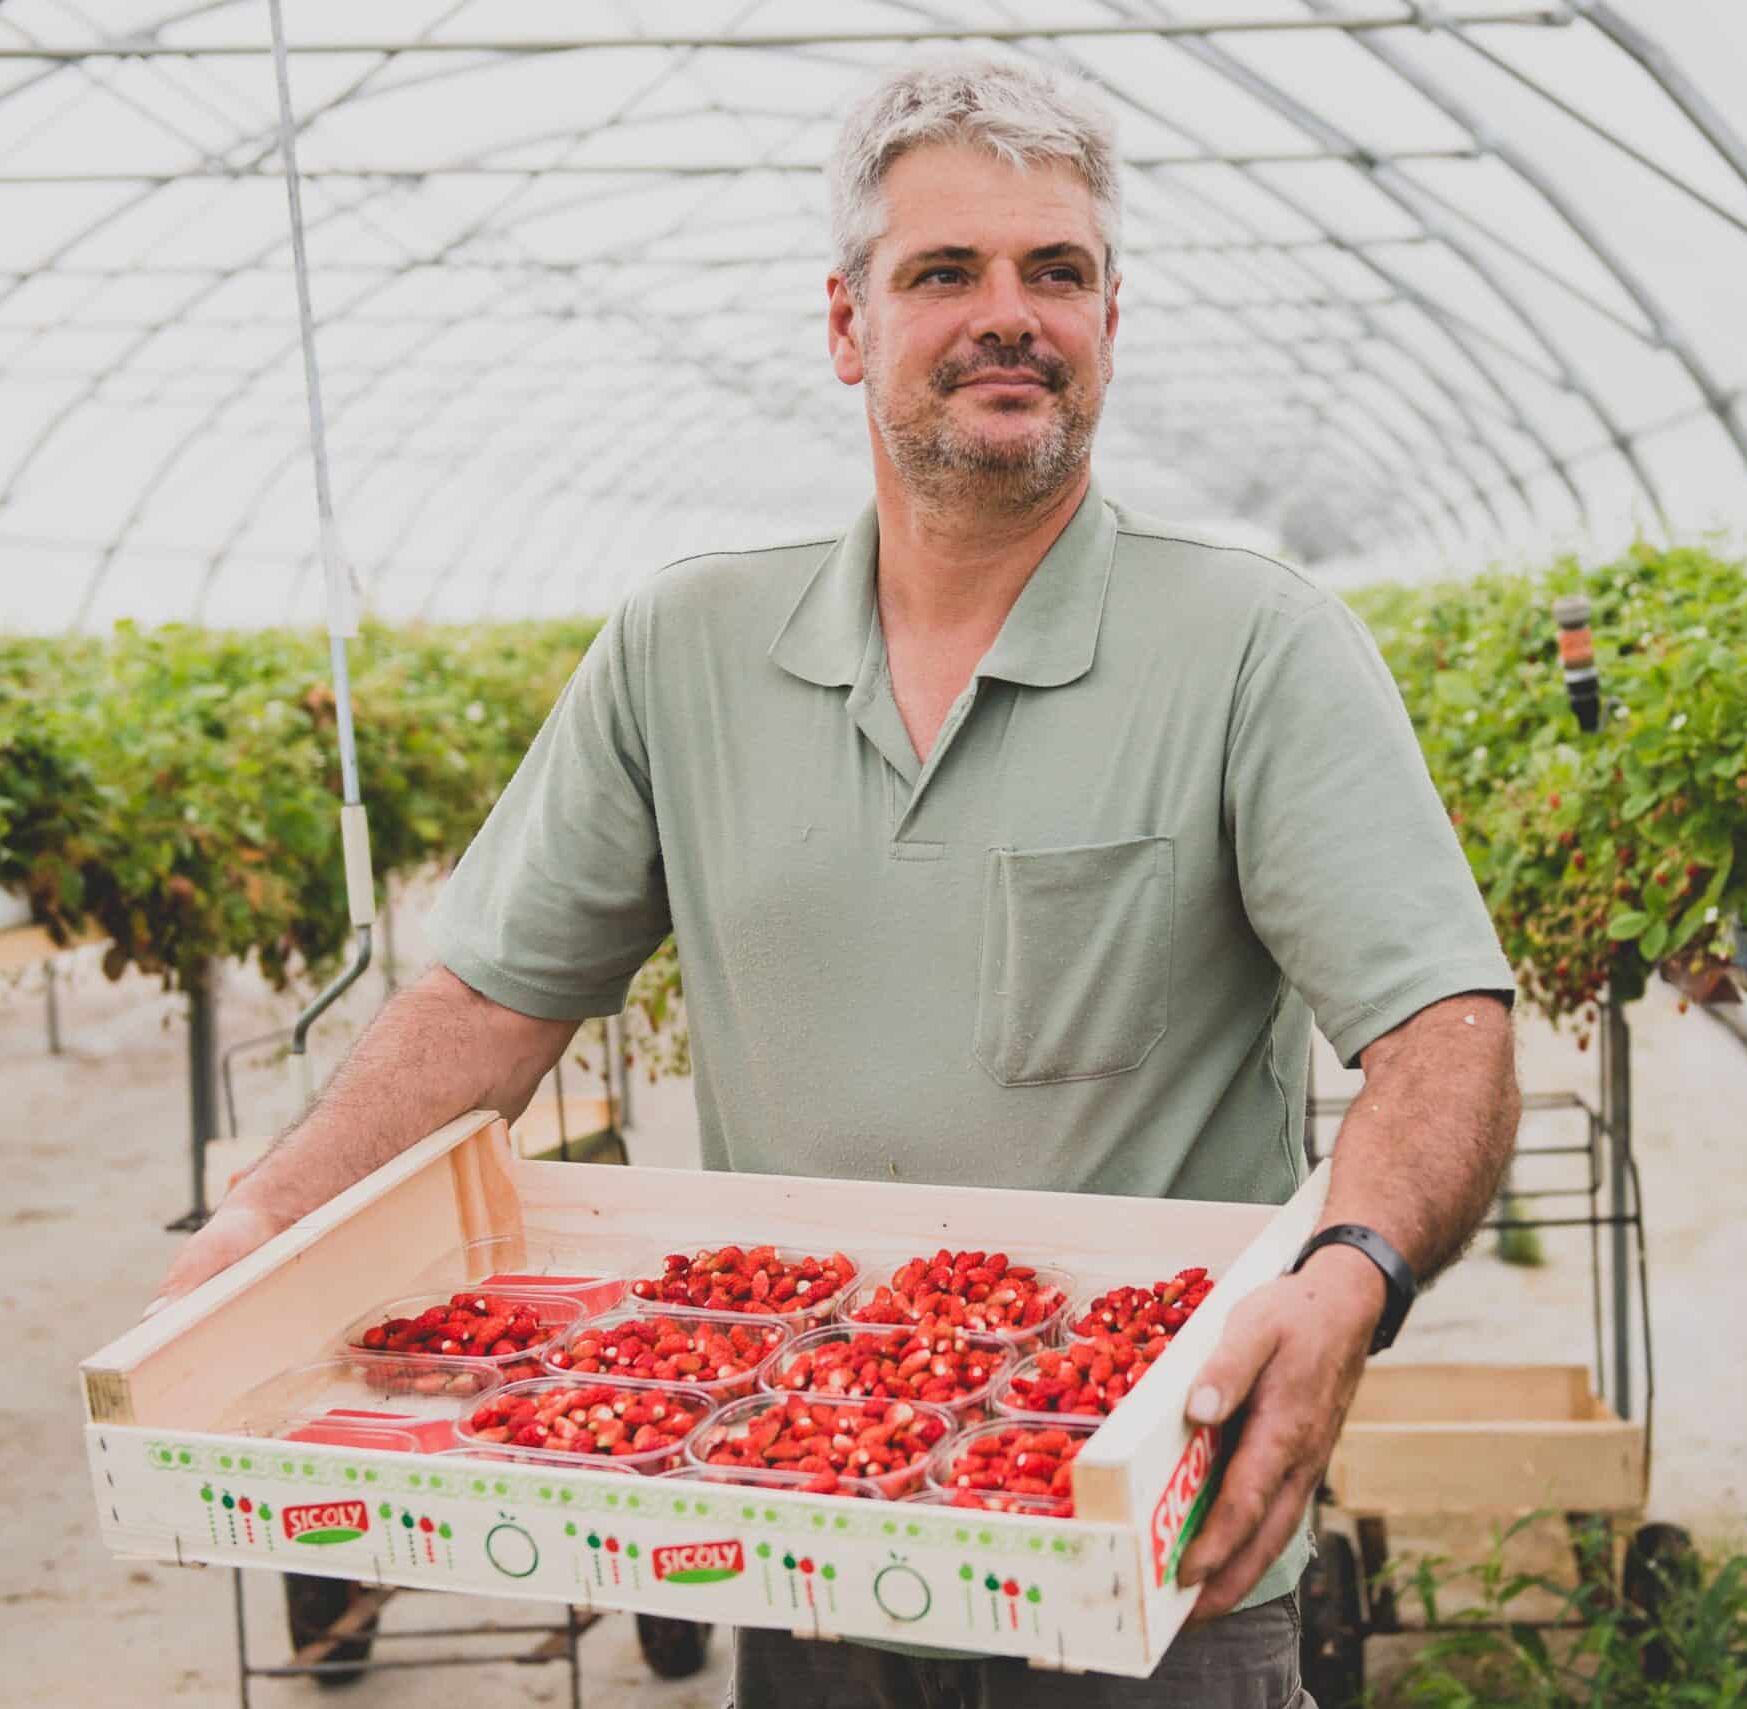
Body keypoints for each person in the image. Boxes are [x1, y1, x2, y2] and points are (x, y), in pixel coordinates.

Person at [155, 53, 1520, 1708]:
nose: (1008, 315)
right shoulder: (687, 646)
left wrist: (1347, 1280)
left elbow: (1442, 1028)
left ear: (1108, 320)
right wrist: (264, 1220)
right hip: (798, 1538)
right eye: (945, 271)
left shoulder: (1255, 647)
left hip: (1145, 1550)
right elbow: (488, 1002)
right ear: (846, 323)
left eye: (1058, 274)